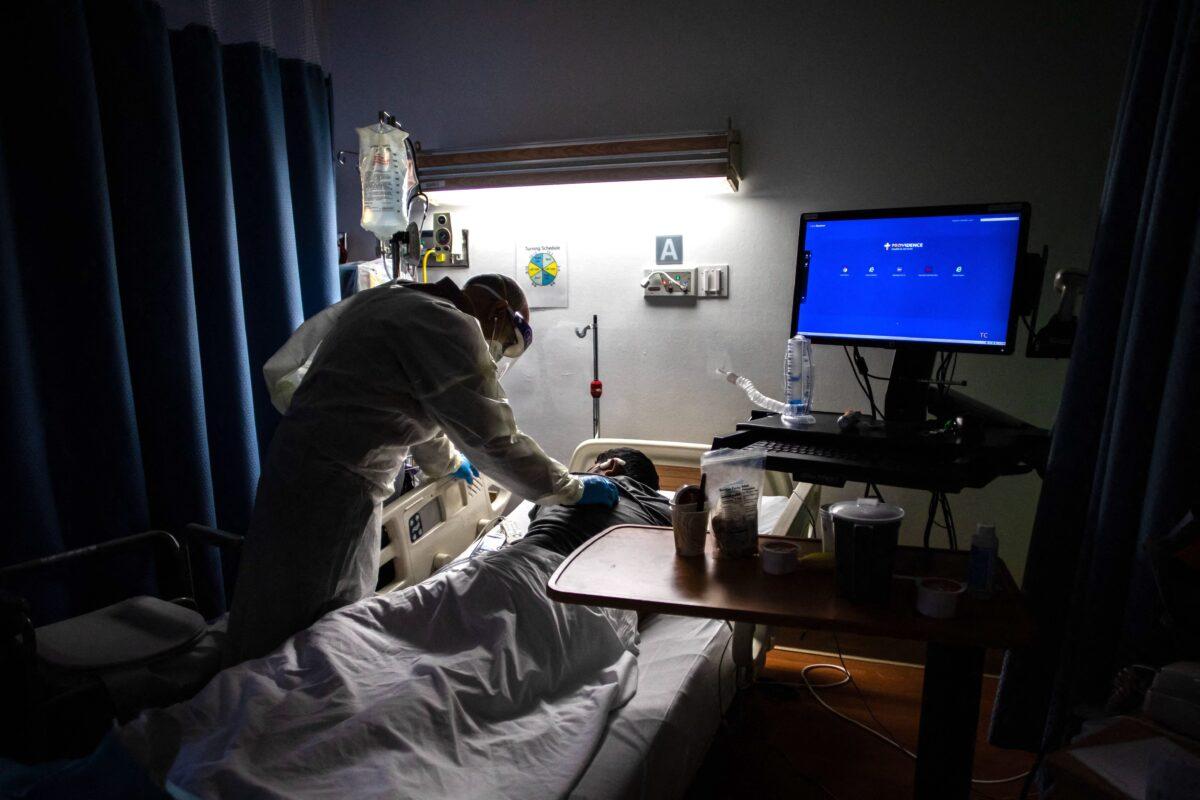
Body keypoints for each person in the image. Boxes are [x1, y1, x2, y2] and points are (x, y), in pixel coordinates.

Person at [227, 274, 619, 662]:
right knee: (311, 625)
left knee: (269, 601)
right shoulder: (449, 326)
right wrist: (571, 488)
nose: (496, 353)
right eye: (504, 343)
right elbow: (496, 440)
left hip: (296, 465)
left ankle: (248, 687)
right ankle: (277, 707)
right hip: (333, 490)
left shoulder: (397, 301)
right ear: (500, 313)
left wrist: (449, 463)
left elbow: (417, 410)